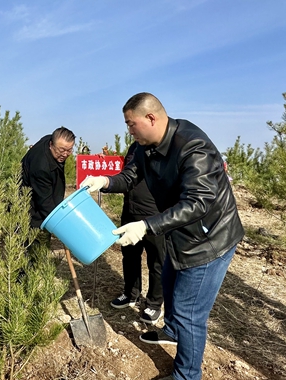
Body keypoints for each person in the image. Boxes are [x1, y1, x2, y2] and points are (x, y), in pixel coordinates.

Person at [80, 93, 244, 380]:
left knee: (190, 313)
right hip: (179, 234)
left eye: (131, 124)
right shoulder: (145, 146)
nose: (128, 130)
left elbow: (198, 203)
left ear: (151, 118)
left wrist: (145, 226)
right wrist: (105, 181)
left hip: (209, 241)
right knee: (168, 286)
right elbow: (131, 176)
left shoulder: (193, 147)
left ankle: (187, 374)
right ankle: (170, 330)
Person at [110, 142, 166, 325]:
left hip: (155, 215)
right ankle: (130, 293)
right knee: (130, 256)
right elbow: (127, 176)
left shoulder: (164, 147)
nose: (131, 130)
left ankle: (154, 303)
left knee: (157, 261)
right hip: (130, 211)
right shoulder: (135, 147)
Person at [21, 127, 76, 246]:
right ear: (51, 144)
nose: (65, 154)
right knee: (33, 238)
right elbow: (45, 204)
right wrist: (62, 227)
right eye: (61, 150)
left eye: (69, 150)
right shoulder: (41, 167)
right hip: (28, 202)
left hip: (42, 189)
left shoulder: (50, 140)